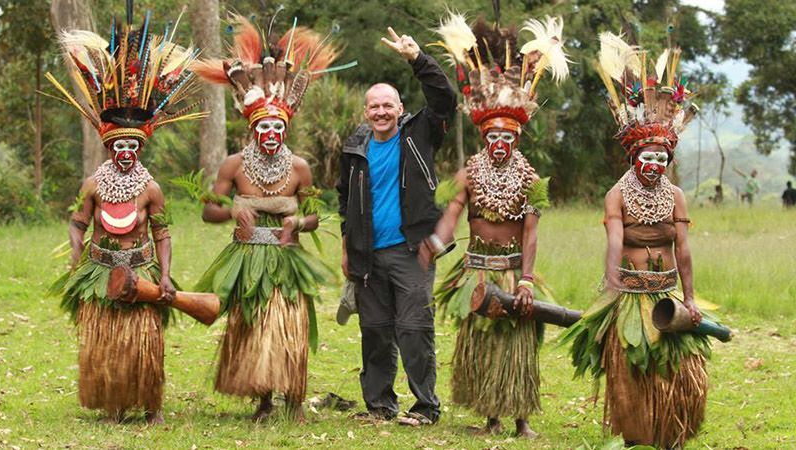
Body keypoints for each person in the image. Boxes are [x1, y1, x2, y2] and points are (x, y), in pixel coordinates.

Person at [48, 6, 205, 424]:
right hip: (101, 270)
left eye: (131, 147)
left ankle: (150, 405)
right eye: (118, 146)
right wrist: (77, 258)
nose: (125, 153)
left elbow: (163, 233)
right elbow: (78, 222)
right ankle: (114, 403)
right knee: (107, 342)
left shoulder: (151, 188)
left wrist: (165, 275)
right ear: (108, 147)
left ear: (140, 148)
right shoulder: (93, 185)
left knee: (144, 341)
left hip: (141, 268)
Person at [560, 33, 717, 447]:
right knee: (631, 371)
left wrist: (692, 298)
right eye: (646, 158)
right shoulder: (617, 195)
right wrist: (611, 283)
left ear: (668, 160)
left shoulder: (675, 196)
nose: (653, 165)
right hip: (630, 294)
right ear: (633, 158)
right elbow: (614, 241)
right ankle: (635, 435)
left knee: (675, 372)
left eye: (661, 158)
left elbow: (682, 248)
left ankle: (671, 431)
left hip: (667, 294)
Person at [192, 17, 346, 422]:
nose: (272, 132)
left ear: (286, 127)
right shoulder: (232, 165)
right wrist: (234, 211)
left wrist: (297, 224)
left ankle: (293, 400)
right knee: (254, 324)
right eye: (265, 126)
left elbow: (315, 216)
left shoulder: (299, 168)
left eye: (278, 125)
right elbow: (208, 210)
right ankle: (262, 399)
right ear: (253, 127)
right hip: (247, 257)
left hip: (287, 257)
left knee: (290, 324)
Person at [424, 13, 568, 438]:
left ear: (517, 139)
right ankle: (490, 417)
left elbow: (531, 233)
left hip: (510, 270)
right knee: (484, 342)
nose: (500, 144)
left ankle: (521, 420)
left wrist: (525, 280)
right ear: (485, 138)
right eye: (493, 138)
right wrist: (435, 241)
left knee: (517, 344)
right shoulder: (468, 174)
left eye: (507, 137)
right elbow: (451, 214)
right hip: (476, 270)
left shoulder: (531, 179)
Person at [336, 26, 456, 426]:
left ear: (400, 107)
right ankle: (380, 406)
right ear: (366, 112)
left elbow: (444, 99)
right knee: (375, 332)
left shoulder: (419, 134)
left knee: (414, 330)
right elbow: (344, 201)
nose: (381, 112)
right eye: (374, 107)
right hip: (368, 255)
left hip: (411, 252)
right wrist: (345, 247)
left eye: (388, 105)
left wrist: (417, 58)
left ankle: (425, 407)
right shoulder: (355, 148)